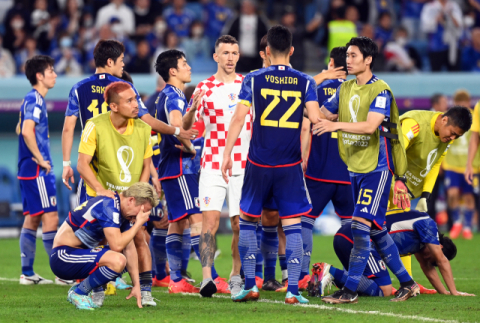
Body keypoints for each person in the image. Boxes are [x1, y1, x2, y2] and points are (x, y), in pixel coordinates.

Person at [221, 25, 321, 304]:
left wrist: (227, 153)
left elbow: (239, 120)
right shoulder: (305, 81)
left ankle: (251, 285)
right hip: (289, 165)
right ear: (291, 50)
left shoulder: (252, 78)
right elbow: (315, 119)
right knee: (292, 224)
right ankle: (292, 290)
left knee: (248, 221)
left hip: (258, 163)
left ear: (266, 52)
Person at [314, 36, 418, 304]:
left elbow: (371, 126)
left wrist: (335, 126)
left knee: (359, 228)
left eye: (353, 56)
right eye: (347, 56)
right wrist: (301, 103)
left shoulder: (380, 90)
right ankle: (408, 283)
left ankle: (349, 291)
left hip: (377, 169)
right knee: (375, 229)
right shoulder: (346, 88)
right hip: (354, 169)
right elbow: (323, 114)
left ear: (368, 59)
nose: (348, 60)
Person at [61, 39, 196, 204]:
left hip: (92, 161)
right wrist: (176, 131)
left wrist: (66, 163)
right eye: (121, 60)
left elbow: (68, 128)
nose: (123, 64)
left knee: (88, 218)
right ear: (110, 62)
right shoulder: (125, 87)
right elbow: (148, 120)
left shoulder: (78, 88)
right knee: (130, 215)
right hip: (123, 159)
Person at [76, 81, 157, 307]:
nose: (136, 104)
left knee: (140, 238)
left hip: (130, 198)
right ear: (113, 106)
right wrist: (101, 191)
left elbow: (145, 166)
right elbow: (82, 165)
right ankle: (97, 290)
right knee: (101, 243)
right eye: (129, 100)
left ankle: (146, 291)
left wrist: (140, 197)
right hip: (103, 198)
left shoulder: (143, 127)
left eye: (136, 99)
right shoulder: (94, 125)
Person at [183, 35, 246, 297]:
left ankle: (235, 274)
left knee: (239, 224)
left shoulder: (247, 85)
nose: (230, 57)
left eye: (234, 52)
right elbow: (189, 129)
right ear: (215, 57)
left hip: (243, 162)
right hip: (211, 162)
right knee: (208, 222)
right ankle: (207, 278)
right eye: (225, 53)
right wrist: (189, 113)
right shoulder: (203, 88)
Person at [317, 209, 475, 298]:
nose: (428, 259)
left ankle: (323, 277)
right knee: (384, 291)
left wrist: (444, 293)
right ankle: (330, 272)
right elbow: (442, 261)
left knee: (363, 288)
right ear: (439, 247)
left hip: (345, 236)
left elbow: (427, 267)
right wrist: (455, 293)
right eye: (432, 256)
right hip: (360, 240)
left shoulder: (422, 243)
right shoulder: (428, 225)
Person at [50, 182, 159, 310]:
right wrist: (138, 224)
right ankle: (79, 293)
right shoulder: (109, 205)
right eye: (142, 211)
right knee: (118, 259)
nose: (140, 217)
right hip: (63, 257)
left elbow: (129, 249)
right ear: (131, 200)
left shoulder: (121, 211)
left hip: (79, 255)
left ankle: (88, 289)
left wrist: (136, 285)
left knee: (125, 256)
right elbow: (117, 245)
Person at [299, 46, 354, 291]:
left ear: (331, 63)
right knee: (354, 225)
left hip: (319, 169)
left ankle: (302, 274)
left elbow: (305, 125)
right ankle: (356, 276)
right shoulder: (356, 93)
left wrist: (302, 156)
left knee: (305, 221)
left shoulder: (318, 91)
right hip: (350, 171)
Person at [17, 55, 71, 286]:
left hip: (26, 170)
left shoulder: (30, 100)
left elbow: (20, 127)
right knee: (51, 217)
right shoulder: (36, 100)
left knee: (32, 219)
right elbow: (27, 131)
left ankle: (27, 273)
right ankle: (61, 274)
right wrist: (41, 159)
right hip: (37, 171)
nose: (55, 74)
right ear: (39, 76)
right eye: (51, 70)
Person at [153, 49, 204, 294]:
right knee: (197, 219)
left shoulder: (168, 94)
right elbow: (175, 127)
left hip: (169, 167)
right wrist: (189, 147)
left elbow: (178, 124)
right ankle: (210, 276)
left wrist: (192, 111)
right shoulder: (174, 96)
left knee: (177, 222)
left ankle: (175, 280)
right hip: (180, 166)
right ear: (172, 71)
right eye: (184, 63)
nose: (188, 67)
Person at [443, 91, 478, 239]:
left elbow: (476, 138)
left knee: (469, 196)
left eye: (465, 102)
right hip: (452, 164)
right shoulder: (450, 118)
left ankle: (468, 226)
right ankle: (457, 222)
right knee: (452, 194)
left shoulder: (475, 116)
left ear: (469, 102)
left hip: (472, 165)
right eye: (459, 103)